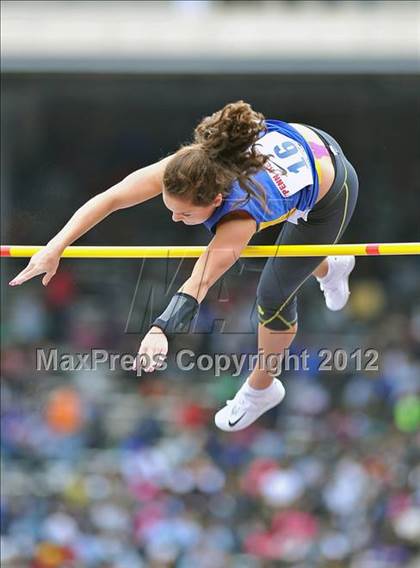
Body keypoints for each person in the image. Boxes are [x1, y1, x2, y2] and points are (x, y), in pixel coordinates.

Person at [9, 101, 358, 432]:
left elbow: (199, 282)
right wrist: (55, 247)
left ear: (217, 200)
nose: (175, 218)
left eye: (186, 214)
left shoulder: (239, 216)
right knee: (267, 257)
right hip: (300, 143)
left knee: (273, 293)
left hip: (331, 187)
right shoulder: (188, 166)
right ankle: (328, 265)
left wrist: (160, 329)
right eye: (170, 208)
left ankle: (261, 388)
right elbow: (111, 197)